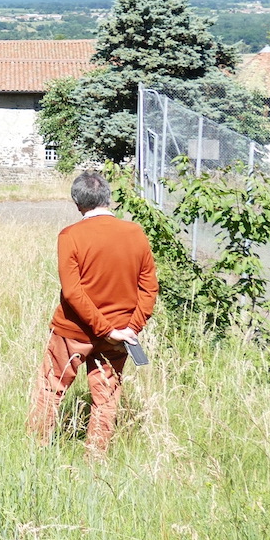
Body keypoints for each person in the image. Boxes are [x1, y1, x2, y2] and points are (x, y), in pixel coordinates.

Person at [27, 172, 158, 456]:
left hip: (73, 332)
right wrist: (129, 329)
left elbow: (73, 293)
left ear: (77, 203)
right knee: (106, 398)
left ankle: (35, 450)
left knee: (51, 389)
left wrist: (105, 328)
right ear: (108, 198)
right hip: (120, 333)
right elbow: (149, 288)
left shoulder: (70, 236)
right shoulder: (135, 233)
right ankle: (96, 457)